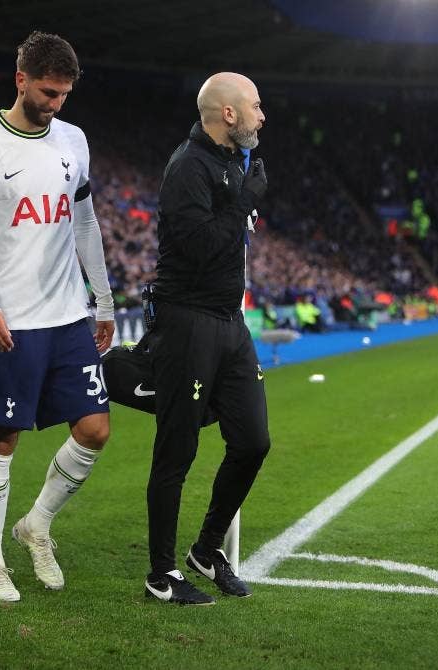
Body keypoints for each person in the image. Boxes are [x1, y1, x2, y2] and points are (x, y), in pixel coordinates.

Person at [0, 31, 115, 602]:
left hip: (68, 315)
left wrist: (104, 299)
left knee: (94, 429)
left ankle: (36, 524)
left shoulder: (74, 139)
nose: (56, 104)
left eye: (64, 94)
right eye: (48, 92)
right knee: (3, 438)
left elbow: (85, 223)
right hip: (11, 319)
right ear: (20, 79)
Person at [144, 72, 270, 606]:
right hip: (187, 319)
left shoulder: (232, 163)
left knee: (253, 441)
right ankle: (161, 574)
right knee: (177, 450)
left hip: (228, 320)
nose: (263, 115)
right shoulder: (188, 167)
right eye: (255, 106)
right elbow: (198, 247)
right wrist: (243, 202)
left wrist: (241, 196)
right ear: (228, 114)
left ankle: (206, 549)